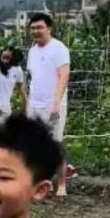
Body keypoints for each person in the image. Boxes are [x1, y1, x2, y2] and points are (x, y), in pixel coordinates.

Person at [24, 13, 71, 197]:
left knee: (55, 144)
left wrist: (56, 103)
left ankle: (61, 184)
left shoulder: (59, 49)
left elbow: (63, 76)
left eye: (40, 27)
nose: (36, 31)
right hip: (35, 104)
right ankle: (41, 182)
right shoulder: (33, 51)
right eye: (33, 28)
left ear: (49, 28)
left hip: (53, 104)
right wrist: (28, 103)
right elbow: (33, 79)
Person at [0, 46, 25, 121]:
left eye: (10, 52)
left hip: (5, 110)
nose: (7, 52)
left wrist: (24, 109)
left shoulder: (17, 70)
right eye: (5, 50)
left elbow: (21, 89)